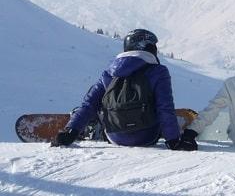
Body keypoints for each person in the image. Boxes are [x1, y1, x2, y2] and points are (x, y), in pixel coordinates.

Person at [51, 29, 194, 151]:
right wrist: (173, 140)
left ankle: (90, 126)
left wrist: (70, 131)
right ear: (147, 47)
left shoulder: (109, 72)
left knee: (95, 98)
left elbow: (89, 104)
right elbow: (165, 107)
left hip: (115, 137)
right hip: (147, 137)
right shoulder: (158, 71)